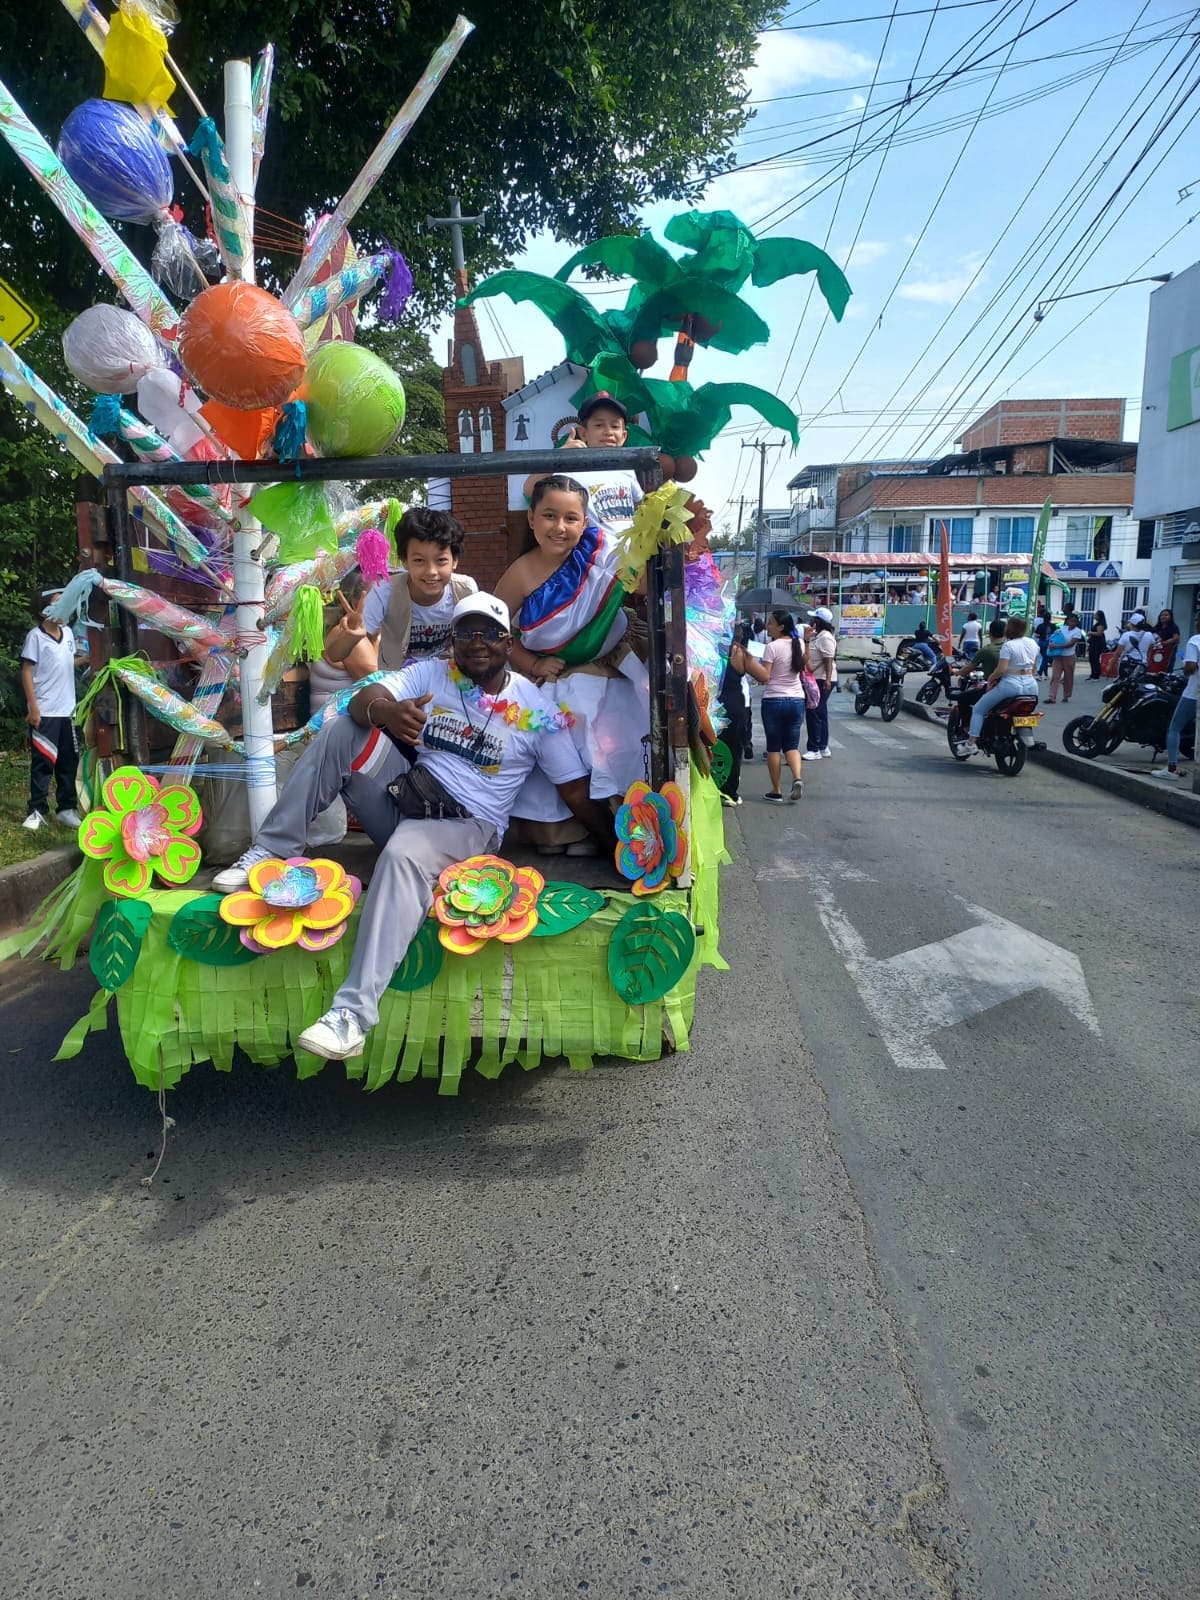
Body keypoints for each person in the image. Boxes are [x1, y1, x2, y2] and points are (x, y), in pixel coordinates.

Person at [213, 595, 616, 1060]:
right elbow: (367, 695)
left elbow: (573, 790)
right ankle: (272, 849)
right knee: (343, 730)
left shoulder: (534, 708)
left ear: (509, 642)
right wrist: (385, 712)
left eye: (489, 633)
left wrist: (612, 845)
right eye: (466, 633)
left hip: (467, 825)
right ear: (453, 641)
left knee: (404, 851)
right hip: (407, 797)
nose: (476, 644)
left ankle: (351, 1016)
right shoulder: (432, 674)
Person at [495, 474, 648, 850]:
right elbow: (493, 633)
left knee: (623, 741)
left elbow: (642, 585)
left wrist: (661, 540)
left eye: (570, 518)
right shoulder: (520, 573)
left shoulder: (604, 549)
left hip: (613, 670)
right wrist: (531, 663)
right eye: (549, 516)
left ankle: (630, 832)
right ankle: (575, 832)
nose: (559, 528)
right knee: (564, 732)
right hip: (550, 681)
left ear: (585, 522)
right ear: (531, 519)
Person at [336, 507, 478, 672]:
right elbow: (335, 655)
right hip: (399, 681)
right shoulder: (384, 593)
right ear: (404, 561)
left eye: (441, 560)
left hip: (451, 676)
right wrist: (349, 637)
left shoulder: (465, 590)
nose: (431, 571)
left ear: (454, 561)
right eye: (419, 560)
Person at [522, 391, 643, 535]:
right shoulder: (573, 466)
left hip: (628, 554)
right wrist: (559, 457)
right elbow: (529, 488)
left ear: (624, 436)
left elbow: (638, 502)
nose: (608, 431)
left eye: (615, 426)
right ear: (584, 433)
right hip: (590, 554)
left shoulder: (627, 468)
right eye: (599, 425)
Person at [20, 589, 85, 832]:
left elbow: (66, 662)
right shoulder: (35, 637)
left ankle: (67, 808)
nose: (66, 605)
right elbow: (27, 671)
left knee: (69, 761)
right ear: (43, 610)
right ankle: (36, 810)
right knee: (43, 763)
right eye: (59, 603)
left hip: (67, 711)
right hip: (45, 711)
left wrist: (84, 660)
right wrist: (33, 708)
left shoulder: (68, 633)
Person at [739, 610, 806, 803]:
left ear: (781, 627)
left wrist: (751, 664)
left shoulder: (772, 647)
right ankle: (797, 778)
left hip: (774, 700)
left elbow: (766, 676)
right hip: (796, 699)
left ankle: (776, 790)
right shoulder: (799, 644)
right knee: (792, 745)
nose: (767, 626)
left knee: (774, 747)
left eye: (770, 623)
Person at [961, 616, 1039, 754]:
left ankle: (970, 744)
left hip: (1010, 685)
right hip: (1031, 686)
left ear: (1009, 629)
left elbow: (1001, 670)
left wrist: (991, 678)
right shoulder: (1032, 643)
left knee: (979, 709)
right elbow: (1033, 669)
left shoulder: (1008, 646)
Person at [1151, 609, 1199, 781]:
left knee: (1174, 728)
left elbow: (1191, 667)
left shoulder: (1195, 640)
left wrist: (1186, 667)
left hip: (1194, 693)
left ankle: (1171, 769)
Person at [715, 623, 751, 806]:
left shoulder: (708, 648)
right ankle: (729, 792)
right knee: (734, 748)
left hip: (713, 705)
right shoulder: (739, 653)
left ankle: (714, 787)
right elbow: (763, 676)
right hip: (735, 705)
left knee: (714, 748)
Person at [804, 606, 837, 759]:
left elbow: (829, 660)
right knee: (821, 713)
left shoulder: (825, 637)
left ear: (820, 621)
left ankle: (814, 748)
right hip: (817, 678)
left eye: (814, 619)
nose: (811, 621)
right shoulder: (818, 636)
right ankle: (823, 747)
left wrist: (828, 680)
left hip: (822, 679)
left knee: (814, 712)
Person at [1047, 612, 1084, 704]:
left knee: (1068, 677)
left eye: (1074, 621)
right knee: (1055, 676)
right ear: (1067, 621)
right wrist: (1052, 643)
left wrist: (1056, 646)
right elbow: (1054, 637)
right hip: (1058, 656)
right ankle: (1052, 696)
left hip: (1069, 657)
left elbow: (1071, 644)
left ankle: (1066, 696)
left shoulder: (1078, 631)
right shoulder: (1062, 629)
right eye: (1071, 621)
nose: (1072, 623)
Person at [961, 618, 1007, 683]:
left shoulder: (986, 650)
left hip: (994, 685)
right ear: (1005, 633)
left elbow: (969, 668)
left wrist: (957, 672)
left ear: (990, 633)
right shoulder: (1011, 647)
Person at [1147, 608, 1181, 674]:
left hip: (1169, 651)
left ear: (1171, 617)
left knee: (1166, 668)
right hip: (1156, 651)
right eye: (1162, 615)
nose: (1163, 617)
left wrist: (1163, 643)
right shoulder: (1157, 627)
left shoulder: (1173, 627)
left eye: (1166, 615)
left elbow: (1176, 639)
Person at [1087, 611, 1110, 679]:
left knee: (1095, 659)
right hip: (1094, 642)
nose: (1094, 615)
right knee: (1092, 658)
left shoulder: (1100, 624)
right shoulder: (1097, 623)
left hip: (1097, 644)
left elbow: (1099, 633)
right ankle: (1093, 673)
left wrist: (1091, 632)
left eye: (1096, 615)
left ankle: (1096, 674)